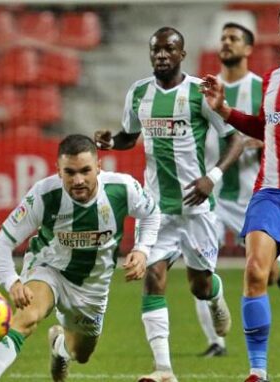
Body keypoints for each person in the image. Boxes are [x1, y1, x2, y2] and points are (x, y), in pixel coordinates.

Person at [94, 27, 242, 382]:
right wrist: (111, 142)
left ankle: (216, 296)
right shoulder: (139, 93)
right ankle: (164, 370)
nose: (161, 55)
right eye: (156, 50)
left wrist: (212, 178)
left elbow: (235, 139)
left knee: (199, 286)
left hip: (197, 207)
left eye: (168, 50)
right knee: (153, 278)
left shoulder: (199, 93)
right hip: (156, 209)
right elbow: (130, 136)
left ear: (182, 54)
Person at [0, 134, 161, 382]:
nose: (79, 180)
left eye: (85, 171)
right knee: (27, 318)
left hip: (93, 287)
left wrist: (142, 250)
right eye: (70, 172)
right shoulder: (44, 195)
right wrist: (12, 281)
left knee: (80, 353)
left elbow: (151, 213)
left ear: (98, 167)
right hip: (49, 269)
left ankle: (59, 348)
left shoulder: (122, 188)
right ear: (58, 171)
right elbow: (2, 243)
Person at [201, 3, 280, 381]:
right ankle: (257, 371)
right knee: (255, 271)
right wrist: (225, 110)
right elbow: (262, 127)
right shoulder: (271, 80)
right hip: (269, 192)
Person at [196, 22, 280, 359]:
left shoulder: (261, 88)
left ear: (249, 48)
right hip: (212, 193)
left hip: (251, 193)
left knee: (260, 269)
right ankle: (216, 341)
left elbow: (276, 131)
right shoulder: (205, 88)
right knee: (200, 264)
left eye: (234, 38)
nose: (226, 42)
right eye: (222, 37)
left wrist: (253, 139)